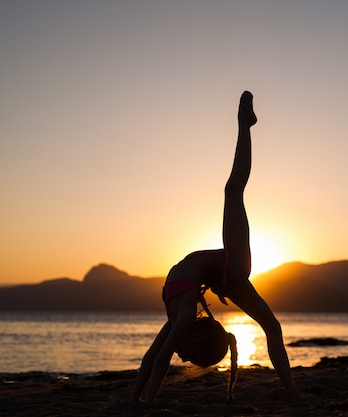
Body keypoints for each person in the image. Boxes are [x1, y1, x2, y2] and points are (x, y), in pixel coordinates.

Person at [131, 91, 301, 404]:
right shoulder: (182, 318)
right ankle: (245, 126)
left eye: (192, 359)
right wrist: (143, 403)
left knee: (273, 327)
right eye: (193, 358)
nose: (184, 360)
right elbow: (159, 360)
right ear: (198, 336)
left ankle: (292, 392)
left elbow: (154, 359)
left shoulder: (179, 320)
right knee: (233, 191)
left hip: (225, 273)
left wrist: (139, 402)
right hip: (230, 269)